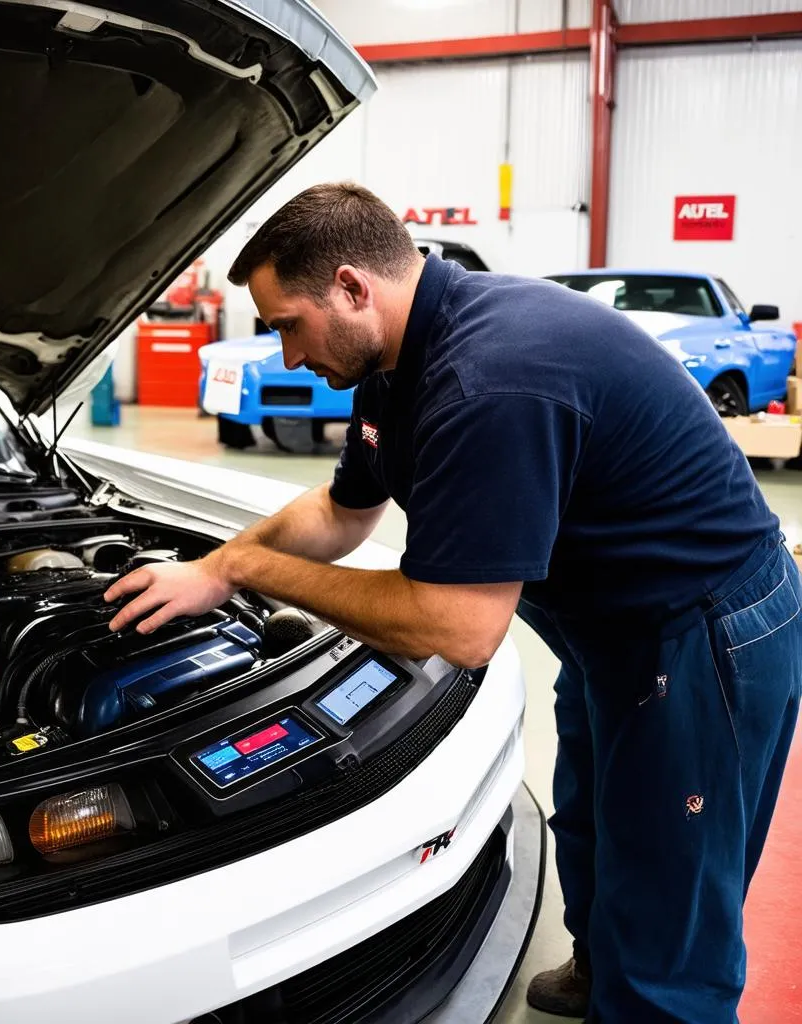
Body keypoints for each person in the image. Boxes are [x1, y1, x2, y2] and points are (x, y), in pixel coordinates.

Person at [105, 182, 802, 1023]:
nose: (287, 357)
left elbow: (460, 627)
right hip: (608, 624)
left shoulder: (487, 379)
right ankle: (603, 965)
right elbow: (341, 512)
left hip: (702, 625)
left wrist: (256, 575)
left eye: (289, 324)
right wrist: (219, 564)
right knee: (591, 816)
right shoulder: (393, 363)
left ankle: (654, 998)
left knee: (673, 881)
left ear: (354, 288)